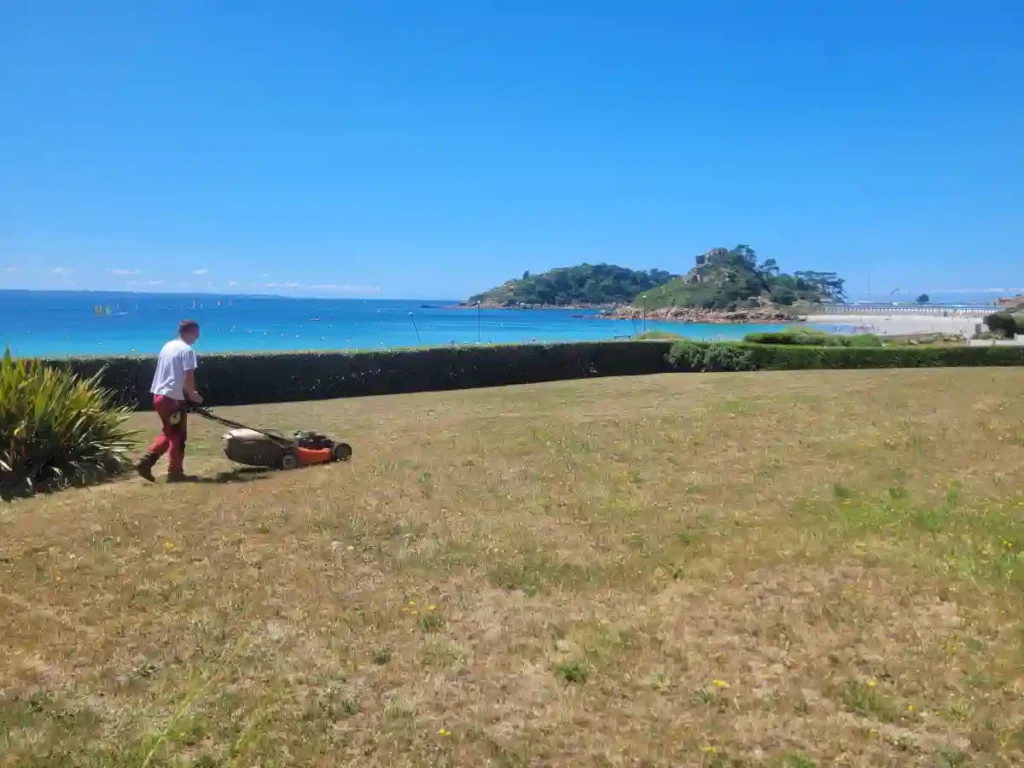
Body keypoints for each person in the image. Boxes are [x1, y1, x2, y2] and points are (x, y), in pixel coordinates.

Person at [136, 320, 203, 482]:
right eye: (196, 333)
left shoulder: (168, 346)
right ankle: (175, 473)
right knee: (178, 435)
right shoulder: (187, 350)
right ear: (190, 332)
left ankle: (146, 462)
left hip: (159, 397)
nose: (197, 337)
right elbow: (188, 375)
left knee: (170, 432)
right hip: (172, 399)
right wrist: (193, 394)